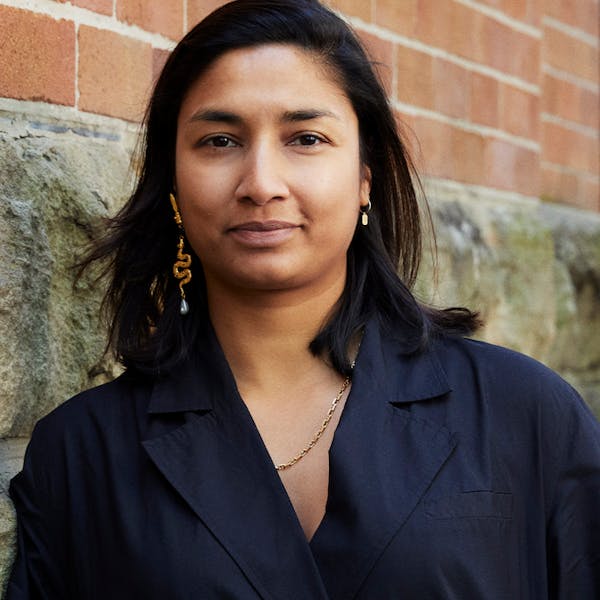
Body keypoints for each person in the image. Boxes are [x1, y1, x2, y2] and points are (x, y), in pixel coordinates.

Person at [6, 0, 600, 598]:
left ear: (365, 176)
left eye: (306, 138)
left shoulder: (524, 415)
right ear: (173, 184)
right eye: (219, 140)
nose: (262, 182)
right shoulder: (82, 455)